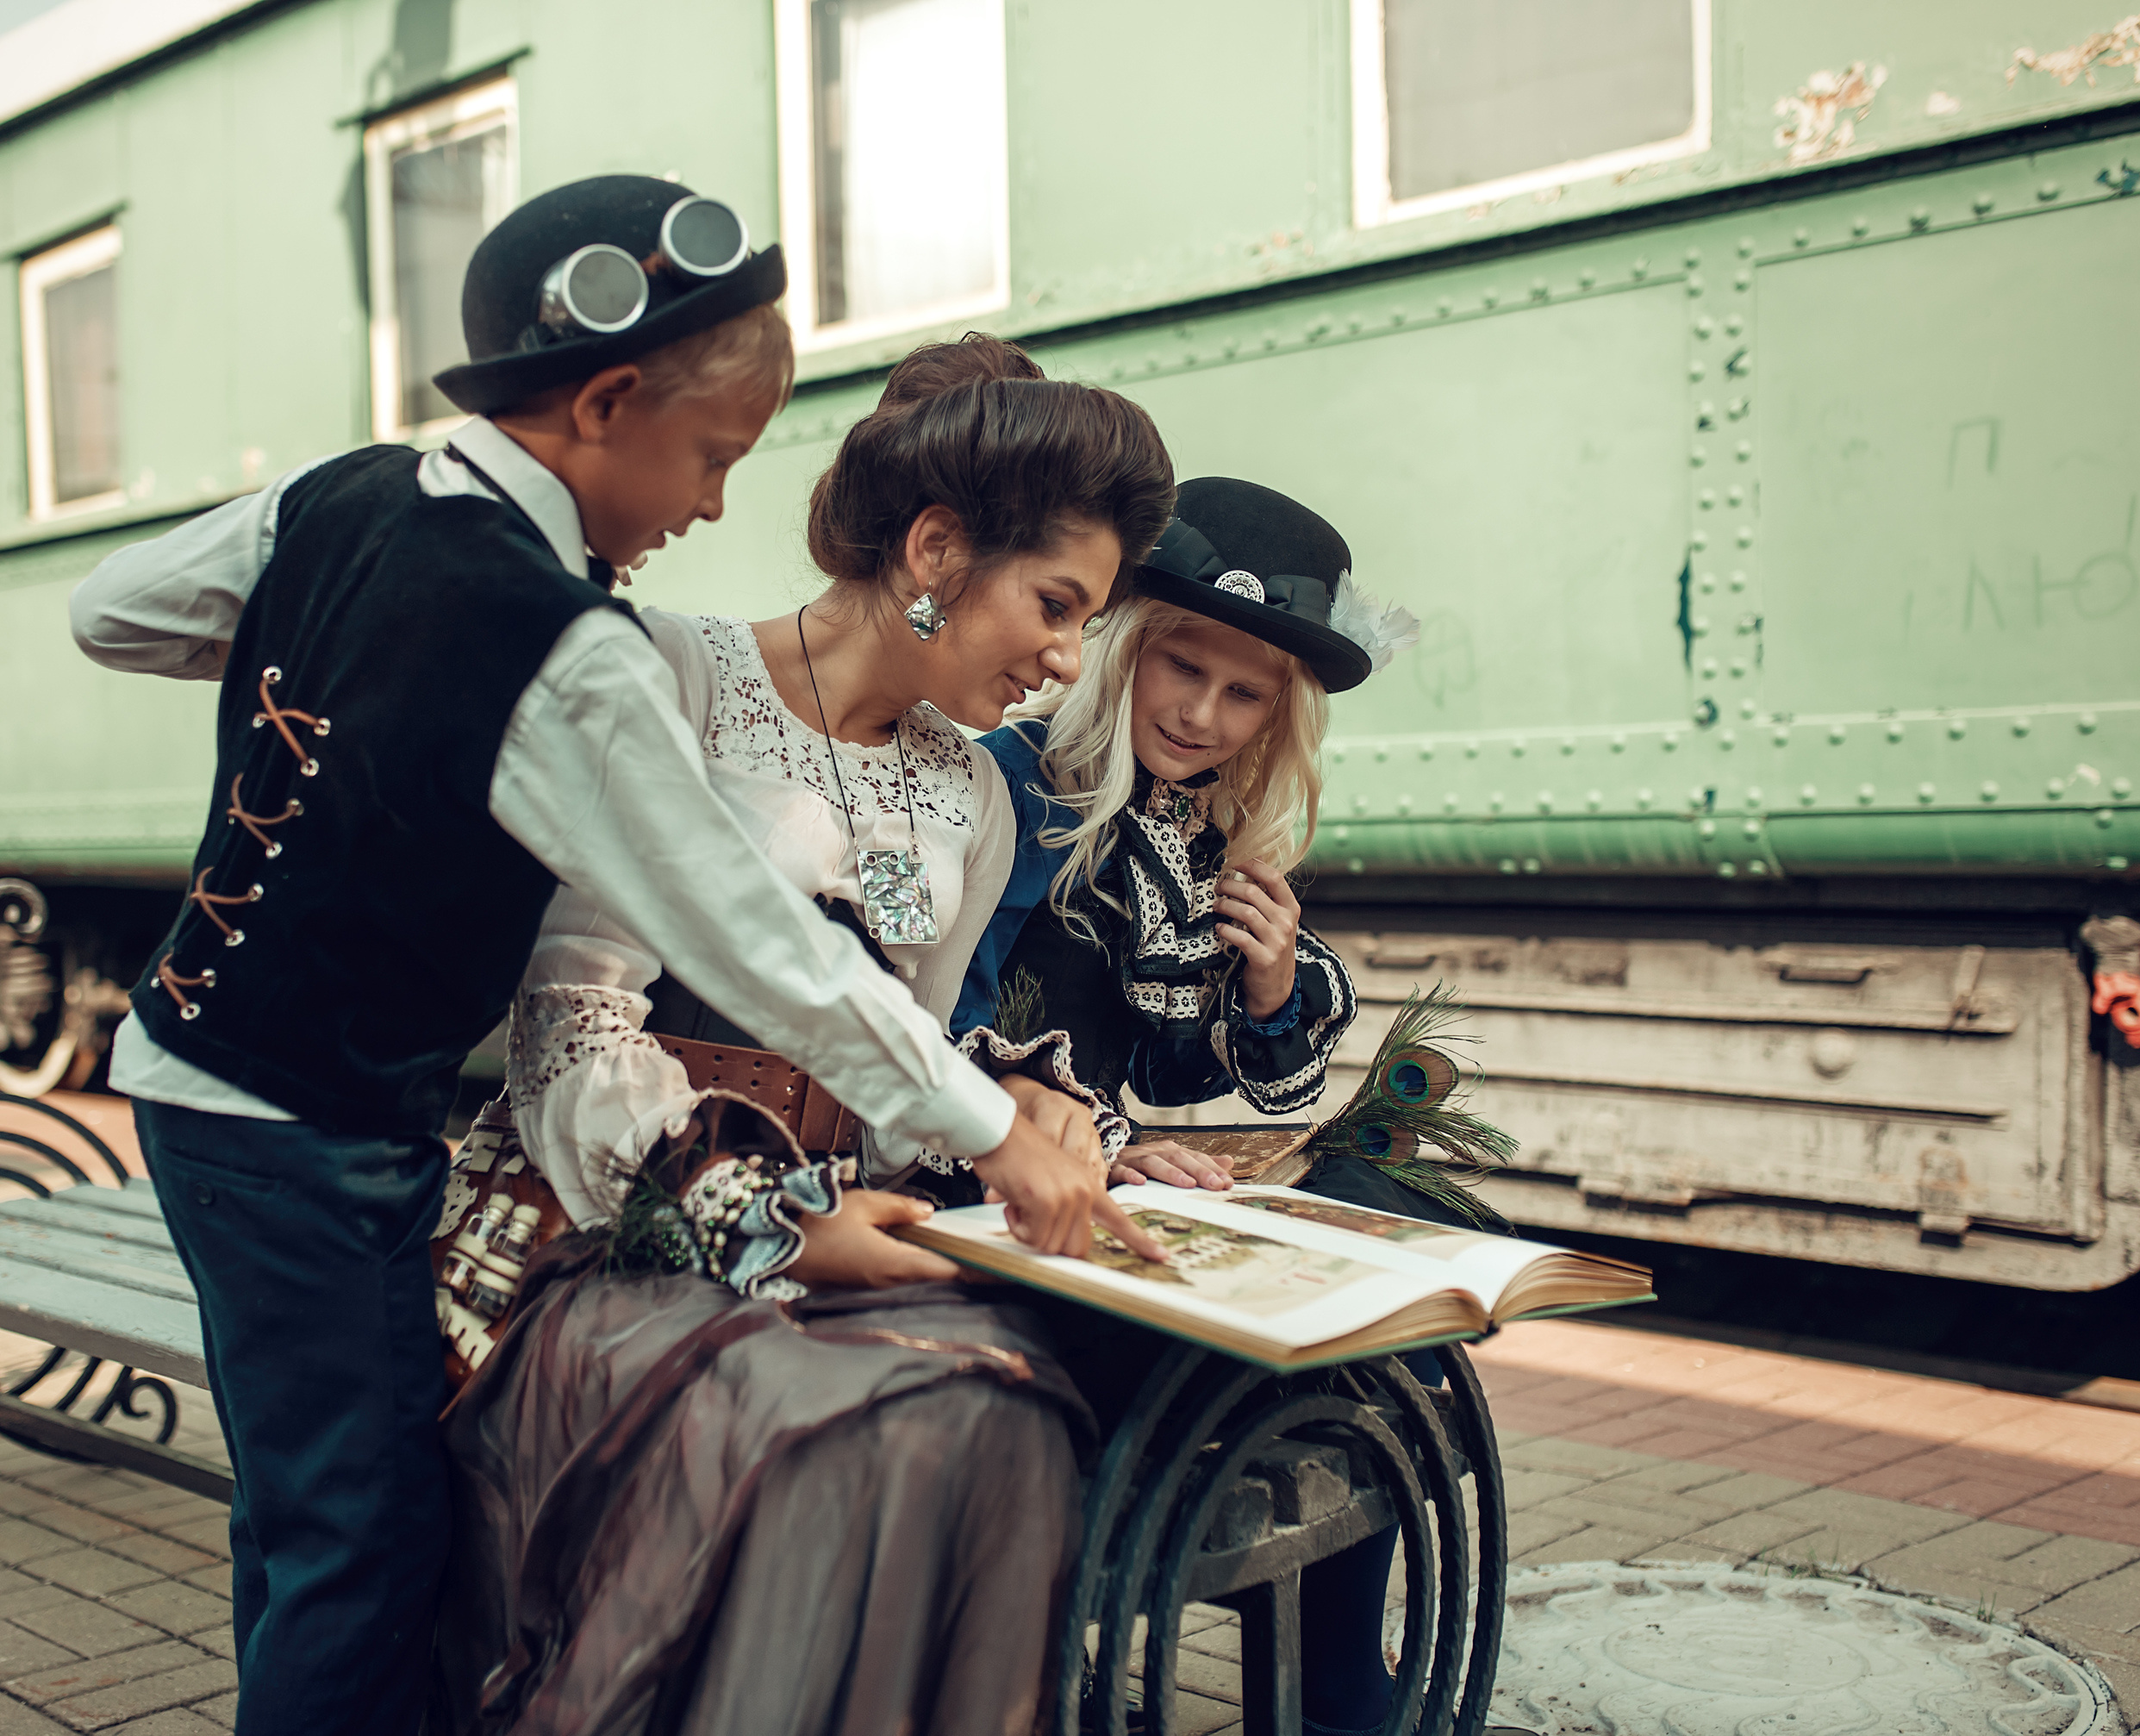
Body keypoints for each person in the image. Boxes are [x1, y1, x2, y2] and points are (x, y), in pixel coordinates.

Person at [66, 179, 1139, 1736]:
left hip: (193, 1065)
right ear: (607, 402)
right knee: (365, 1540)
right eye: (710, 457)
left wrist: (356, 665)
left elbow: (115, 612)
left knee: (308, 1512)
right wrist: (987, 1135)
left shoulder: (350, 496)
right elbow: (747, 932)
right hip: (310, 1114)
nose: (711, 507)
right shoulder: (572, 647)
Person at [433, 334, 1179, 1734]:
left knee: (1005, 1413)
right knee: (840, 1424)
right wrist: (762, 1223)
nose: (1071, 662)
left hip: (846, 1226)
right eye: (1059, 604)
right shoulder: (676, 678)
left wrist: (1035, 1107)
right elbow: (573, 1031)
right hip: (624, 1228)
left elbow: (915, 1050)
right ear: (939, 546)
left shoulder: (974, 795)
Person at [953, 478, 1457, 1736]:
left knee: (1369, 1249)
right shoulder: (1014, 789)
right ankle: (1333, 1700)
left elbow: (1209, 1078)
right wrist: (1108, 1146)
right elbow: (941, 1022)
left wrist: (1274, 978)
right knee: (1306, 1361)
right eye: (1181, 667)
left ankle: (1332, 1689)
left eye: (1246, 696)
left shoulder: (1196, 835)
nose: (1202, 713)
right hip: (990, 1201)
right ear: (1126, 643)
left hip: (1106, 1195)